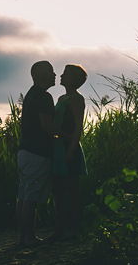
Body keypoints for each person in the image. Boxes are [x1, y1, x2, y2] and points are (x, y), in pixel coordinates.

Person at [16, 60, 61, 247]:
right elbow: (47, 126)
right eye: (51, 71)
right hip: (37, 153)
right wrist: (65, 135)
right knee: (31, 197)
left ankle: (23, 237)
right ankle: (29, 238)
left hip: (25, 151)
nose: (55, 75)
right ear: (43, 75)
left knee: (24, 194)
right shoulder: (44, 96)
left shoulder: (31, 94)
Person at [47, 64, 88, 242]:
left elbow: (78, 126)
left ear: (73, 79)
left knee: (72, 190)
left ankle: (75, 230)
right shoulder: (61, 98)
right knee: (58, 191)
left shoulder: (76, 99)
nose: (61, 76)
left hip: (68, 147)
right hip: (57, 148)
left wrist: (71, 149)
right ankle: (59, 230)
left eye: (66, 74)